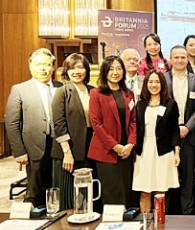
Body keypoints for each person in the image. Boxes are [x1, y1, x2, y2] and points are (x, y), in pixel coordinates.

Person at [5, 47, 62, 206]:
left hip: (58, 146)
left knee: (56, 187)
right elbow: (12, 123)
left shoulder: (61, 87)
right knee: (34, 191)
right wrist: (19, 152)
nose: (43, 68)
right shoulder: (19, 90)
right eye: (38, 64)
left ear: (53, 67)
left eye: (47, 64)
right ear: (30, 66)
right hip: (34, 148)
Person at [87, 55, 136, 207]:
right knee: (112, 192)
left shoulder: (129, 94)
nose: (115, 72)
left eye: (119, 69)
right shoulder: (96, 93)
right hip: (106, 151)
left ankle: (127, 220)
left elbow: (134, 121)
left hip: (127, 151)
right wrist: (115, 146)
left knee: (127, 190)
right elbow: (96, 123)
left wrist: (130, 144)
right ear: (104, 72)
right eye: (111, 69)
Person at [51, 54, 94, 210]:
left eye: (80, 67)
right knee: (69, 196)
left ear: (86, 70)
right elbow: (59, 123)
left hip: (89, 147)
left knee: (87, 193)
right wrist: (67, 152)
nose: (76, 72)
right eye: (72, 68)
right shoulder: (62, 92)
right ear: (66, 71)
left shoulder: (93, 91)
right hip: (68, 150)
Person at [134, 70, 180, 213]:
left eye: (157, 82)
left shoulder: (170, 104)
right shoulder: (140, 104)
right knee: (144, 191)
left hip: (163, 152)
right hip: (144, 151)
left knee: (160, 192)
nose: (154, 85)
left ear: (162, 84)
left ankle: (160, 223)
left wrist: (177, 152)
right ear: (146, 84)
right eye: (151, 82)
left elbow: (175, 130)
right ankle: (145, 222)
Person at [166, 45, 195, 214]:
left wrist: (188, 127)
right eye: (176, 57)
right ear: (170, 59)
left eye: (183, 57)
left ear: (187, 59)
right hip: (168, 135)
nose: (180, 60)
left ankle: (187, 213)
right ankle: (168, 214)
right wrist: (175, 128)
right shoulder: (162, 79)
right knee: (168, 176)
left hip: (190, 134)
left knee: (188, 177)